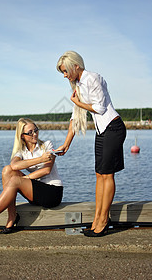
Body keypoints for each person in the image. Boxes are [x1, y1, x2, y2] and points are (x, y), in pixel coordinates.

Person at [55, 51, 126, 237]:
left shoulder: (92, 78)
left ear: (75, 65)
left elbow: (100, 108)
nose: (64, 75)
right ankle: (97, 219)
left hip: (113, 128)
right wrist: (66, 144)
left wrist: (78, 102)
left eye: (65, 71)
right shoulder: (78, 85)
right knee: (99, 175)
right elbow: (75, 118)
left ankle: (103, 221)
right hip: (103, 131)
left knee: (107, 175)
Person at [0, 118, 63, 236]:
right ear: (22, 136)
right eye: (30, 132)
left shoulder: (47, 145)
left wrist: (23, 180)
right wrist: (40, 159)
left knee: (15, 180)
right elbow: (14, 165)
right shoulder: (21, 151)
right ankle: (12, 216)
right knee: (7, 170)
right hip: (35, 192)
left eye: (36, 130)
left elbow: (46, 170)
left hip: (52, 193)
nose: (35, 134)